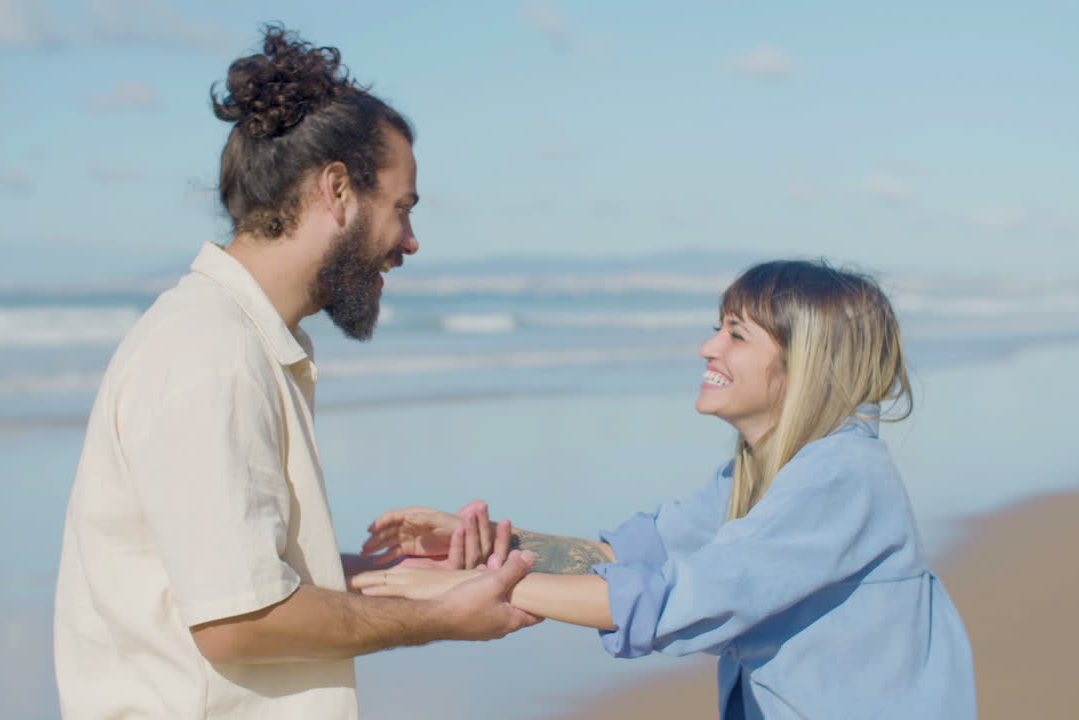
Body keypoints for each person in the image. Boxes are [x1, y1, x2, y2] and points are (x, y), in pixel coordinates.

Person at [53, 25, 536, 720]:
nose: (410, 242)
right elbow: (239, 621)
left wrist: (404, 576)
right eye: (401, 209)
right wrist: (441, 620)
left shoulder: (243, 339)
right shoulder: (212, 354)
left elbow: (244, 577)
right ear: (336, 189)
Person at [355, 260, 978, 719]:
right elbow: (634, 558)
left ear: (808, 363)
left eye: (737, 334)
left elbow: (676, 602)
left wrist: (475, 590)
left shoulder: (841, 477)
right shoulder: (765, 471)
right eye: (717, 327)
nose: (708, 347)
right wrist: (492, 545)